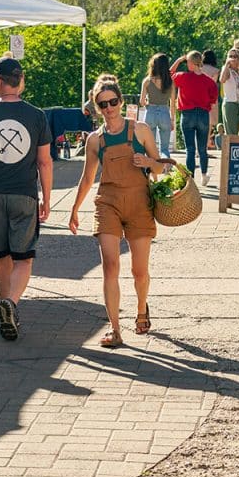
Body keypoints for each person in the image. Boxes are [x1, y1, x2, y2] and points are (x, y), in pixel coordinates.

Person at [68, 74, 167, 348]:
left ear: (121, 102)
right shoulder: (94, 140)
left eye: (112, 102)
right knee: (110, 267)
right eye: (103, 105)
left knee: (139, 271)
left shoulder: (141, 130)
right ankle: (115, 329)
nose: (109, 108)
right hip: (107, 203)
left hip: (138, 203)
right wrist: (74, 209)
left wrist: (148, 161)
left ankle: (141, 309)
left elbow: (162, 167)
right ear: (97, 108)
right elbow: (87, 178)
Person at [0, 57, 53, 341]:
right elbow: (45, 163)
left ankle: (6, 305)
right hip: (24, 194)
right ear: (21, 80)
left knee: (2, 255)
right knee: (24, 259)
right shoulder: (37, 116)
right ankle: (11, 304)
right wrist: (47, 198)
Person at [171, 51, 219, 186]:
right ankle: (204, 175)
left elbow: (169, 73)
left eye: (187, 62)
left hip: (187, 114)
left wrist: (179, 60)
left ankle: (190, 179)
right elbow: (213, 99)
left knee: (190, 149)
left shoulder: (183, 77)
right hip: (203, 114)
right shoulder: (209, 81)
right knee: (202, 149)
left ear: (191, 63)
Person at [139, 53, 175, 159]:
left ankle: (151, 171)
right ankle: (166, 168)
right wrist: (172, 120)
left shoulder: (147, 81)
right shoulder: (170, 82)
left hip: (150, 113)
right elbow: (173, 103)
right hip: (165, 112)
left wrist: (147, 102)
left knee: (150, 147)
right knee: (164, 148)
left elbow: (141, 101)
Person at [219, 49, 239, 136]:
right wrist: (226, 65)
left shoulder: (238, 72)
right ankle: (229, 149)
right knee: (231, 133)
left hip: (238, 104)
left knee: (236, 131)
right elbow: (222, 80)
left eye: (235, 56)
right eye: (230, 56)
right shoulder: (227, 69)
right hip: (230, 103)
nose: (233, 58)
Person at [201, 50, 219, 149]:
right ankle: (207, 143)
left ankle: (200, 145)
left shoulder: (199, 69)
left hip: (199, 96)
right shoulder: (215, 71)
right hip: (211, 97)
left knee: (200, 122)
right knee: (210, 123)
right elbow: (213, 84)